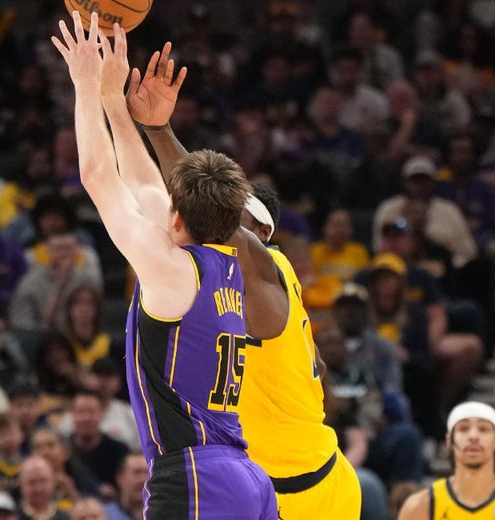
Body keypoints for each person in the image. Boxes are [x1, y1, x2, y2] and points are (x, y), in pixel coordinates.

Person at [52, 12, 279, 519]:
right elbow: (147, 188)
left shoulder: (173, 272)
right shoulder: (224, 265)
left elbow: (99, 178)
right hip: (246, 476)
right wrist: (115, 101)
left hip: (197, 477)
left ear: (178, 217)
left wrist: (86, 86)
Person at [136, 40, 362, 517]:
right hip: (260, 485)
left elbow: (202, 196)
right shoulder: (205, 282)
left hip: (308, 496)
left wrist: (158, 130)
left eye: (234, 218)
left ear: (260, 233)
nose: (216, 222)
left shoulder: (265, 266)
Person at [398, 402, 495, 519]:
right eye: (464, 429)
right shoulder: (420, 507)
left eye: (483, 429)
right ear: (449, 440)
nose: (473, 436)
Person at [103, 453, 147, 520]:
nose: (142, 480)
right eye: (137, 472)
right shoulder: (104, 515)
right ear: (120, 479)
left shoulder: (164, 513)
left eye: (147, 473)